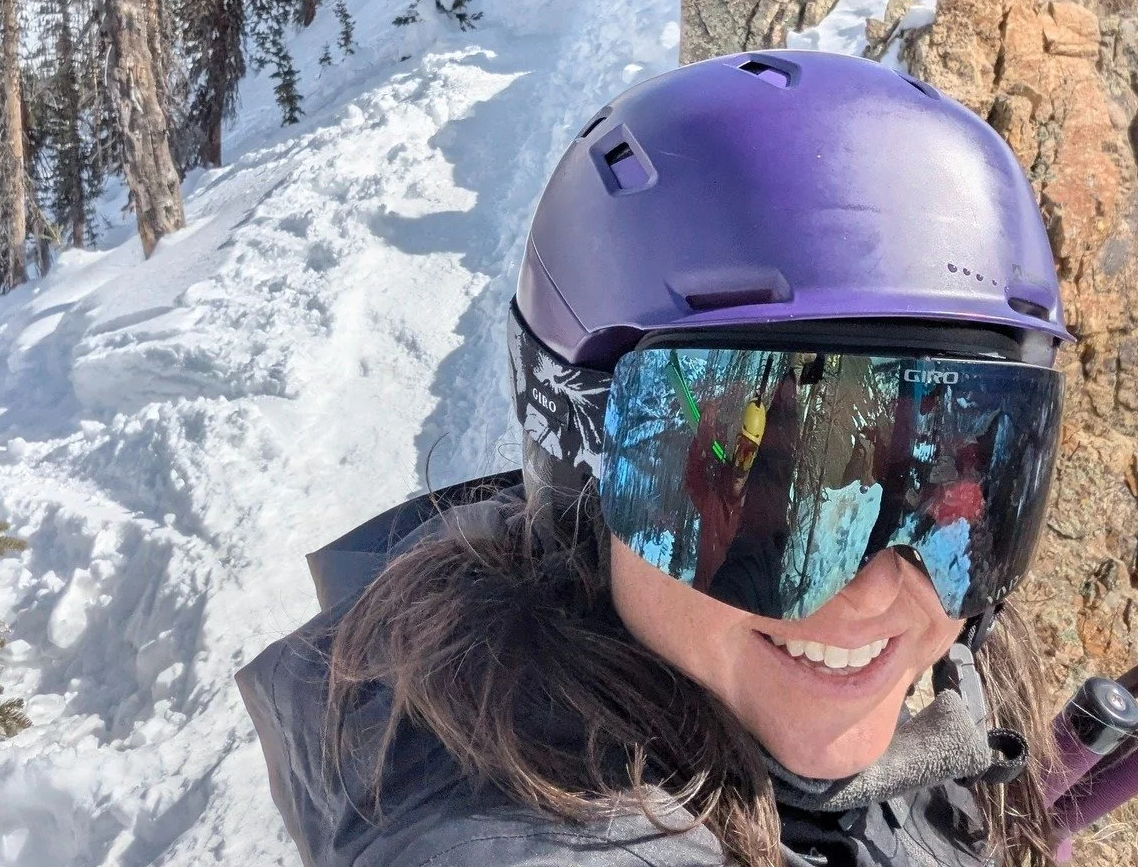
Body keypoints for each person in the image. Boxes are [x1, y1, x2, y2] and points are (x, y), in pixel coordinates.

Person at [238, 51, 1070, 867]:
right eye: (772, 489)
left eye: (956, 484)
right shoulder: (523, 833)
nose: (881, 587)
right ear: (583, 475)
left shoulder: (956, 686)